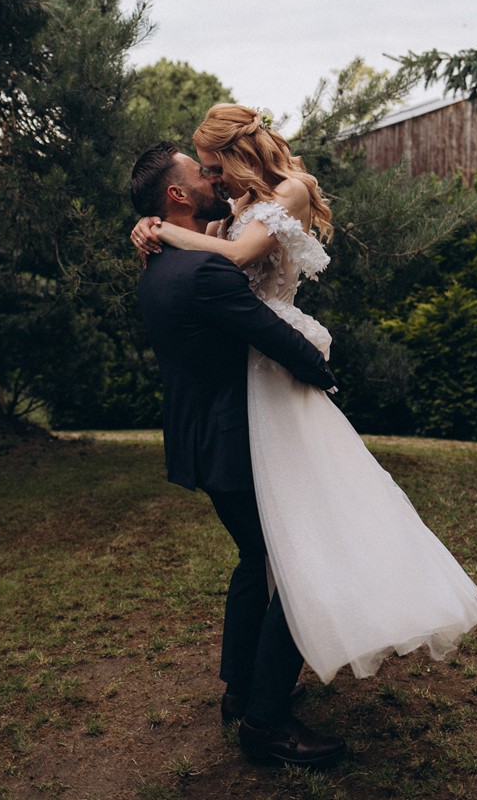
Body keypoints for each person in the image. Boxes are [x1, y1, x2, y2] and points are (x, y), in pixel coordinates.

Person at [131, 105, 477, 691]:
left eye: (214, 166)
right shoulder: (232, 212)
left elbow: (237, 259)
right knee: (287, 550)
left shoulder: (289, 192)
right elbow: (213, 258)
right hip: (255, 376)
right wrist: (154, 225)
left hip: (273, 366)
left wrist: (163, 229)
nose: (213, 178)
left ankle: (252, 693)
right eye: (204, 172)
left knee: (291, 544)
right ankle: (257, 701)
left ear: (239, 153)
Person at [130, 141, 347, 768]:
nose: (212, 178)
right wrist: (324, 374)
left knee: (257, 560)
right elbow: (271, 335)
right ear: (177, 195)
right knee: (302, 566)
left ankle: (239, 690)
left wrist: (148, 227)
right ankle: (267, 720)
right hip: (235, 442)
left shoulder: (160, 262)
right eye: (200, 173)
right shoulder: (204, 270)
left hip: (201, 442)